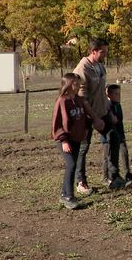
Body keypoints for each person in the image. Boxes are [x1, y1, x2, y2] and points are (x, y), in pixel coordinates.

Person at [73, 38, 112, 195]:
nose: (105, 54)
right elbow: (82, 98)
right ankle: (80, 182)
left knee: (111, 141)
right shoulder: (82, 69)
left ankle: (109, 177)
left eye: (106, 51)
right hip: (86, 115)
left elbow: (102, 90)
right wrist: (94, 118)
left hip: (103, 111)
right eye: (102, 51)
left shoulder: (100, 66)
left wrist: (108, 108)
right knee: (83, 148)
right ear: (93, 51)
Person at [51, 73, 87, 210]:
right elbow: (57, 122)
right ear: (68, 84)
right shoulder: (62, 100)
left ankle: (64, 193)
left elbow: (83, 117)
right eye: (75, 83)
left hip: (77, 138)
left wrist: (86, 130)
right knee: (71, 165)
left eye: (79, 83)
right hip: (65, 140)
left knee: (73, 165)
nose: (78, 85)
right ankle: (68, 197)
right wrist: (63, 140)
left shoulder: (78, 100)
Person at [101, 84, 132, 187]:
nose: (118, 95)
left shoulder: (118, 105)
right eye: (116, 94)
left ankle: (127, 174)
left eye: (119, 93)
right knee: (107, 157)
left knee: (124, 153)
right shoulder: (107, 106)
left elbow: (120, 121)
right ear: (108, 94)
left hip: (119, 134)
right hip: (108, 138)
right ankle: (106, 177)